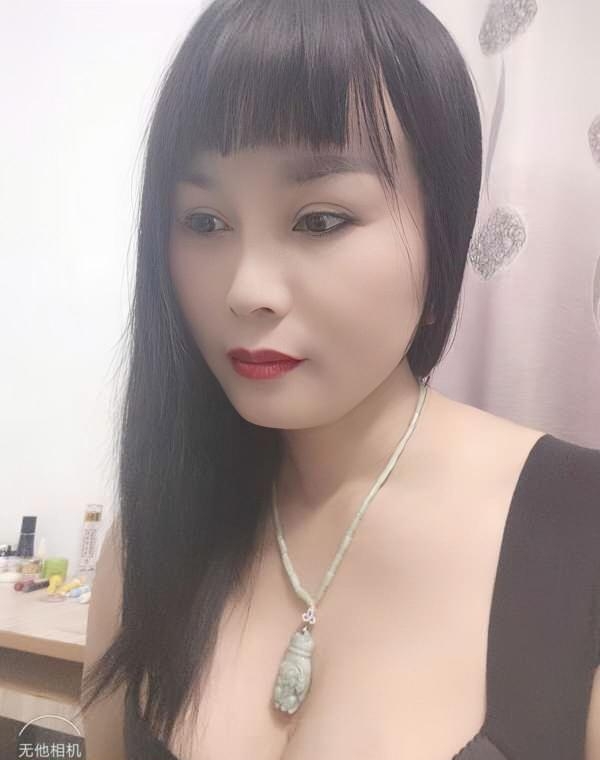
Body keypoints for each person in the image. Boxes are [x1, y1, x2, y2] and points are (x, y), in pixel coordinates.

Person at [79, 0, 600, 758]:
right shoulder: (151, 534)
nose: (246, 291)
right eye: (204, 221)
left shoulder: (580, 536)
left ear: (443, 229)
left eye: (319, 220)